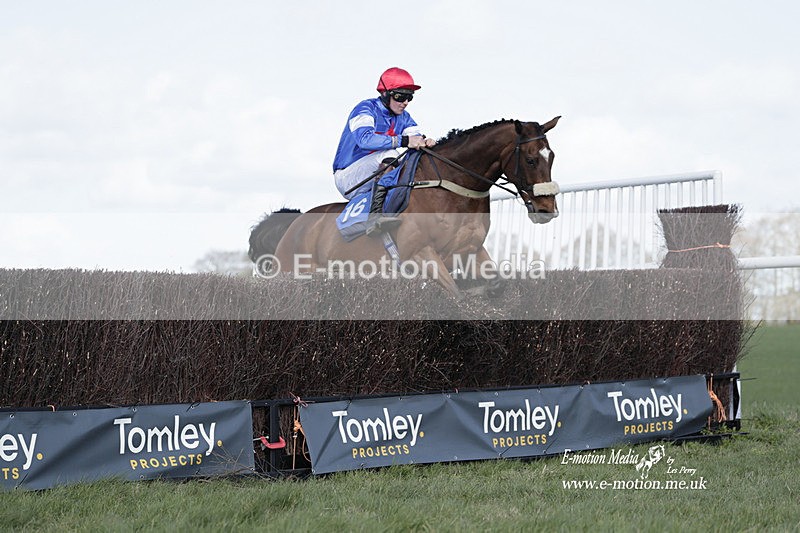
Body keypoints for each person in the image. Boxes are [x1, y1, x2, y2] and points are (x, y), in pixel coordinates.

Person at [333, 67, 436, 235]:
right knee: (391, 155)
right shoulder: (365, 108)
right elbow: (365, 140)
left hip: (373, 175)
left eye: (409, 97)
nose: (405, 102)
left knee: (414, 159)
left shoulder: (404, 117)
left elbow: (415, 138)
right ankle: (375, 217)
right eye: (400, 96)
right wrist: (405, 141)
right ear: (385, 94)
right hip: (348, 178)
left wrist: (426, 142)